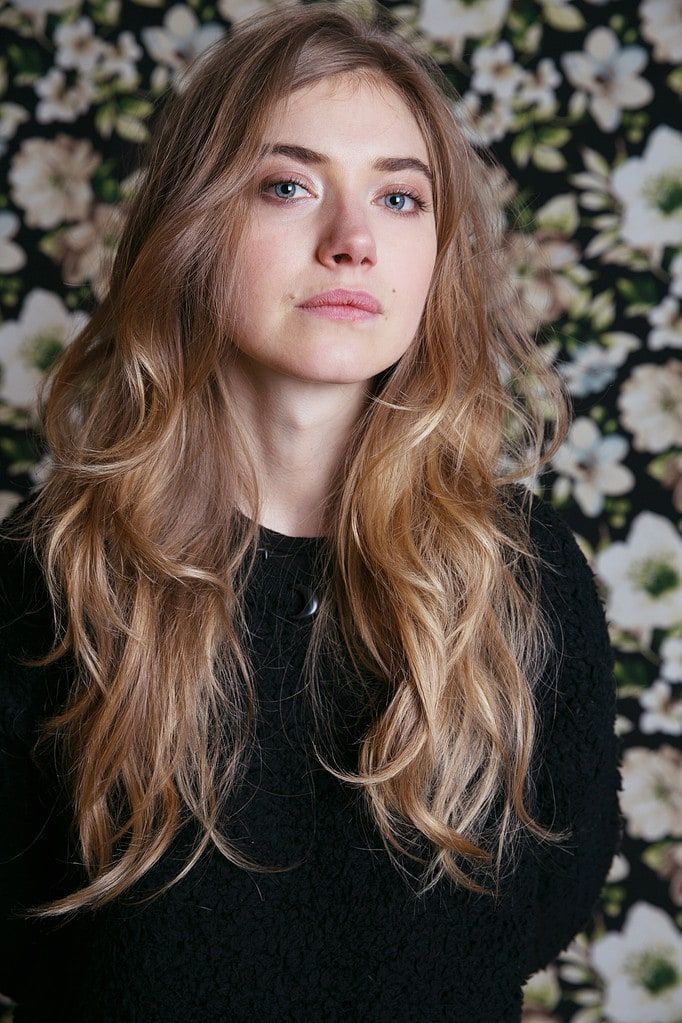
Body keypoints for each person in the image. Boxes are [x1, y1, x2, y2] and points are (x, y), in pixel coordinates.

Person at [0, 3, 624, 1020]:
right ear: (191, 229)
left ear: (438, 254)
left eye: (400, 198)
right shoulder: (42, 577)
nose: (352, 241)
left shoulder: (527, 576)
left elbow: (534, 909)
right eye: (287, 186)